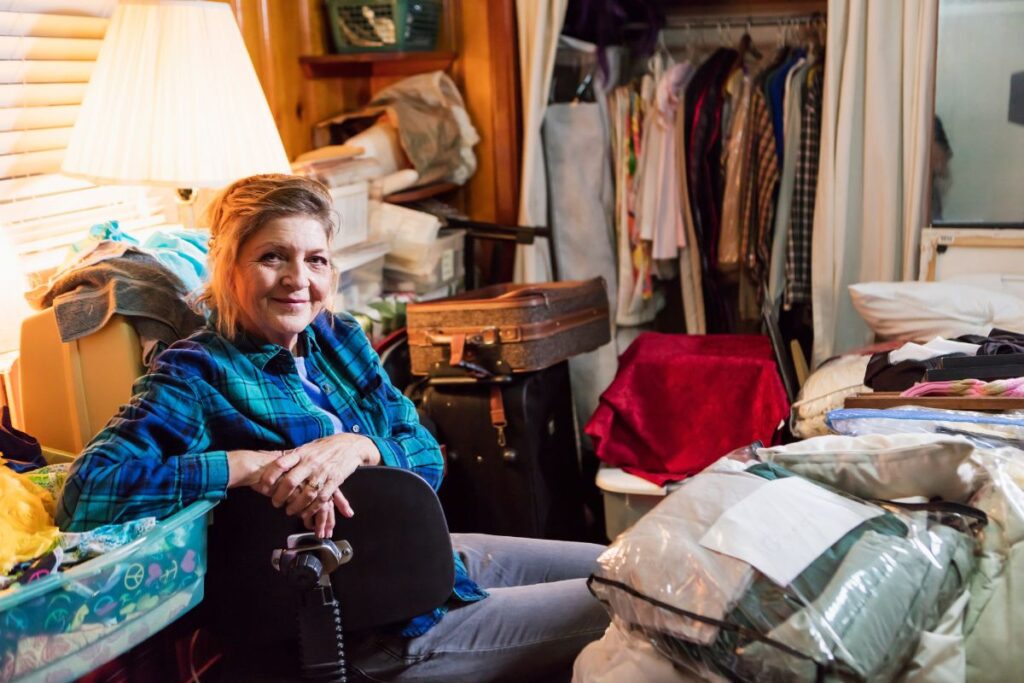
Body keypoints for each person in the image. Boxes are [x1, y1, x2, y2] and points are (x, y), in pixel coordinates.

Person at [56, 174, 609, 681]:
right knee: (643, 598)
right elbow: (86, 491)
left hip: (432, 562)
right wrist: (245, 466)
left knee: (626, 564)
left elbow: (427, 455)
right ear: (228, 265)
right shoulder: (195, 372)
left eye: (315, 260)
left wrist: (356, 446)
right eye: (273, 256)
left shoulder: (336, 339)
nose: (298, 280)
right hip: (378, 632)